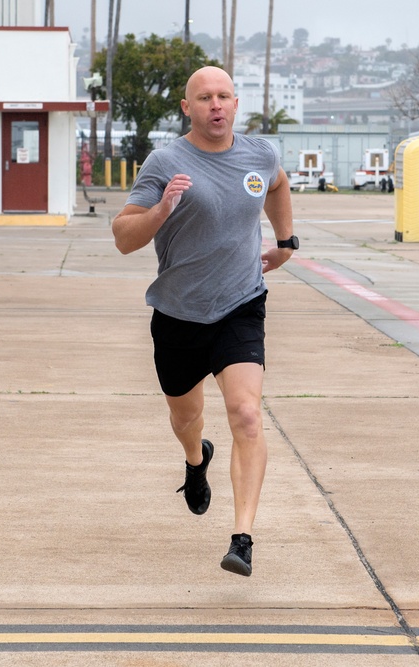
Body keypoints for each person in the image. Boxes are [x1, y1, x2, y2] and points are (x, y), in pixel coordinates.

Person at [112, 66, 296, 577]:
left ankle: (243, 537)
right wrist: (162, 209)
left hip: (240, 304)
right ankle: (196, 460)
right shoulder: (166, 161)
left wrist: (285, 243)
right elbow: (124, 236)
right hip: (178, 313)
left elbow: (278, 186)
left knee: (246, 414)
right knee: (185, 419)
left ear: (236, 104)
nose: (215, 105)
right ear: (187, 108)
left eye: (224, 96)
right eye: (204, 98)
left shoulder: (260, 154)